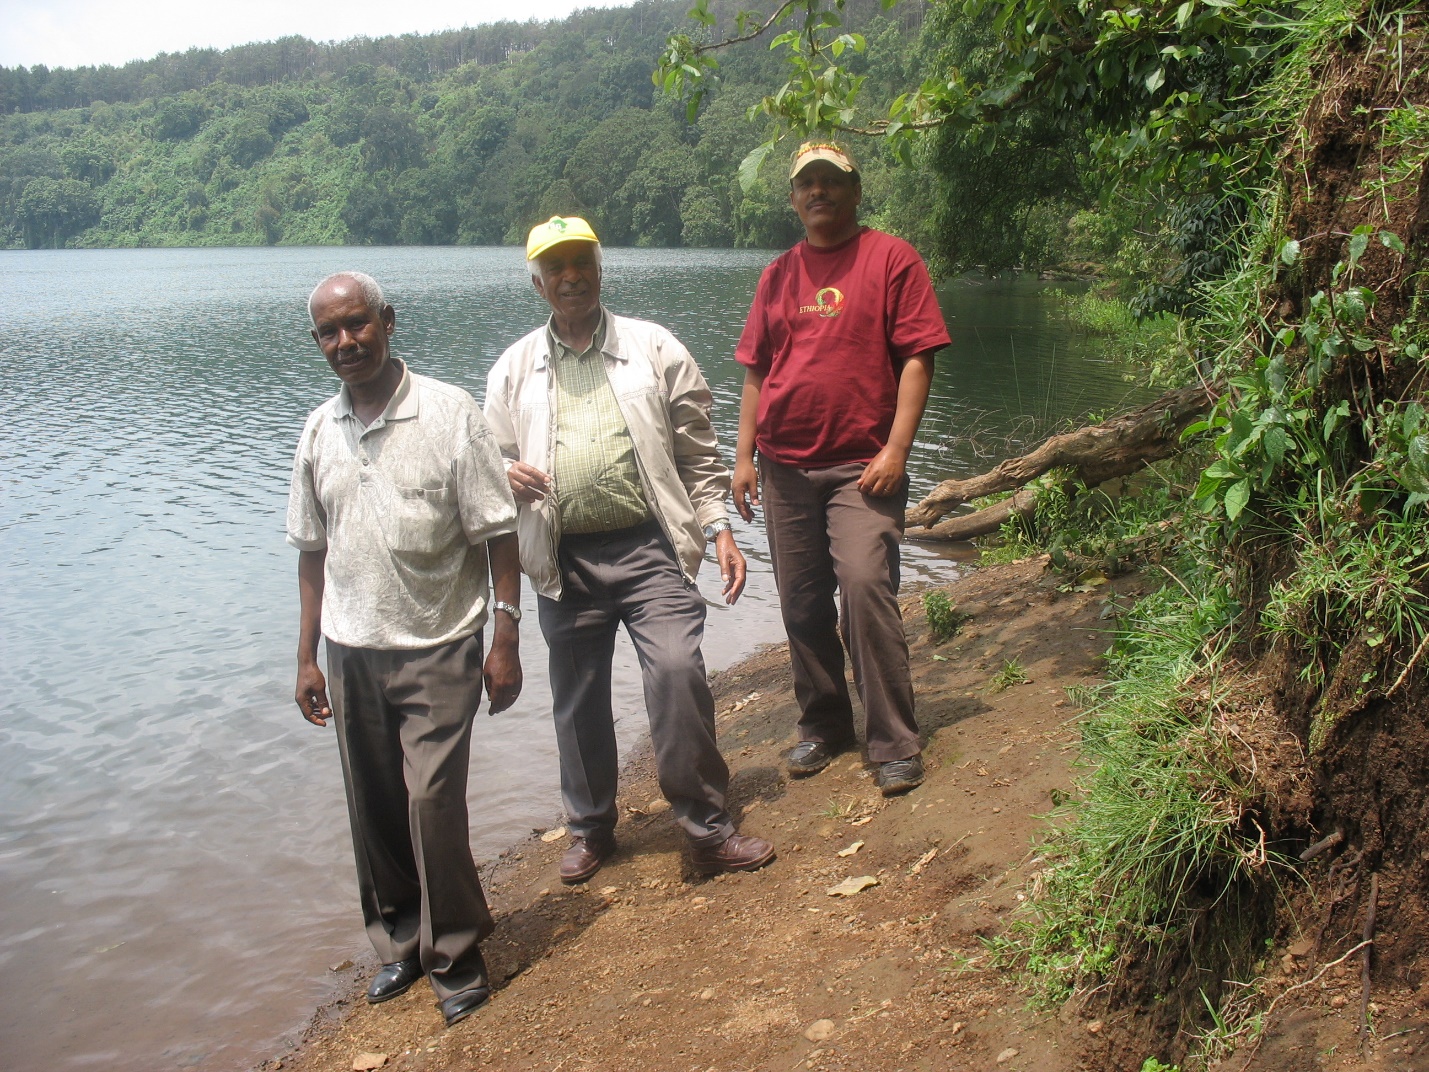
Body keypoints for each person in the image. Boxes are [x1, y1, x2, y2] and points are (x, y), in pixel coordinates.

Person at [484, 216, 774, 885]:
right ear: (537, 284)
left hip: (650, 547)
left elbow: (696, 453)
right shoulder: (513, 369)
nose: (569, 277)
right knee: (577, 697)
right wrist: (502, 474)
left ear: (599, 268)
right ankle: (591, 828)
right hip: (563, 558)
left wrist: (717, 528)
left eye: (579, 262)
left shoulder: (653, 347)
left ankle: (706, 829)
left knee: (676, 671)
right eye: (554, 268)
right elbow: (487, 459)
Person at [287, 271, 522, 1028]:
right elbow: (310, 553)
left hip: (441, 641)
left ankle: (455, 953)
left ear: (387, 321)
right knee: (376, 809)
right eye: (329, 332)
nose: (345, 343)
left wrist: (506, 634)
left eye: (357, 324)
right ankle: (400, 943)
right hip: (350, 647)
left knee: (429, 802)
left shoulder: (451, 414)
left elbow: (498, 532)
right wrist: (305, 658)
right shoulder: (320, 431)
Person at [732, 143, 951, 796]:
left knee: (862, 586)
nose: (818, 192)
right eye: (807, 184)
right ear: (794, 198)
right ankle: (824, 724)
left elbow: (918, 357)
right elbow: (755, 370)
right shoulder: (776, 276)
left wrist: (897, 450)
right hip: (785, 469)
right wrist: (742, 458)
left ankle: (892, 741)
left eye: (831, 182)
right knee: (801, 603)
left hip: (862, 467)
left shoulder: (891, 259)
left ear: (855, 193)